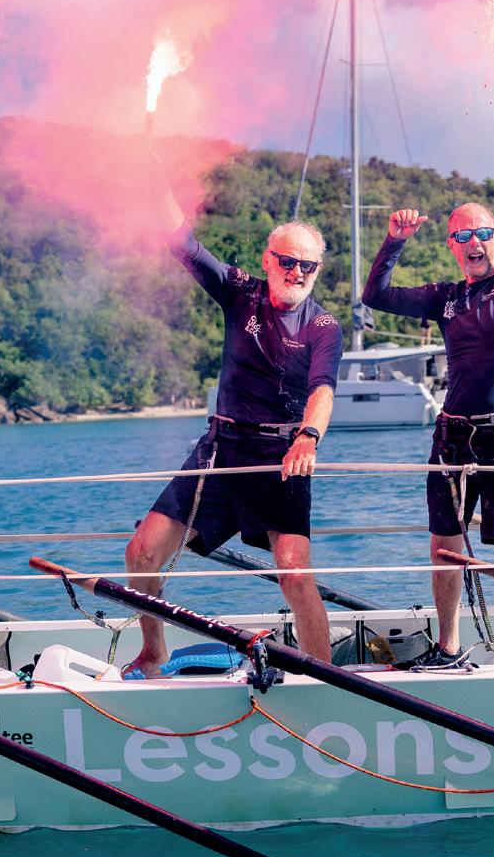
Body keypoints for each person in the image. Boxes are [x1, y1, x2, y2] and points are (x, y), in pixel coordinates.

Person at [363, 95, 494, 667]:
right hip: (452, 435)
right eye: (461, 236)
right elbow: (375, 295)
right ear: (451, 245)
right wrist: (394, 240)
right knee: (444, 546)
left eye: (481, 232)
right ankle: (451, 648)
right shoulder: (445, 297)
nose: (473, 243)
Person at [121, 210, 343, 678]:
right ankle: (153, 651)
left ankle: (325, 677)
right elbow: (185, 245)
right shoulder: (243, 293)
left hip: (282, 456)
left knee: (294, 573)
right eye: (287, 261)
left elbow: (323, 389)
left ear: (318, 270)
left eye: (307, 265)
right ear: (267, 260)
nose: (297, 272)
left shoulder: (323, 326)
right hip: (220, 451)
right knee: (141, 553)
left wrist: (308, 436)